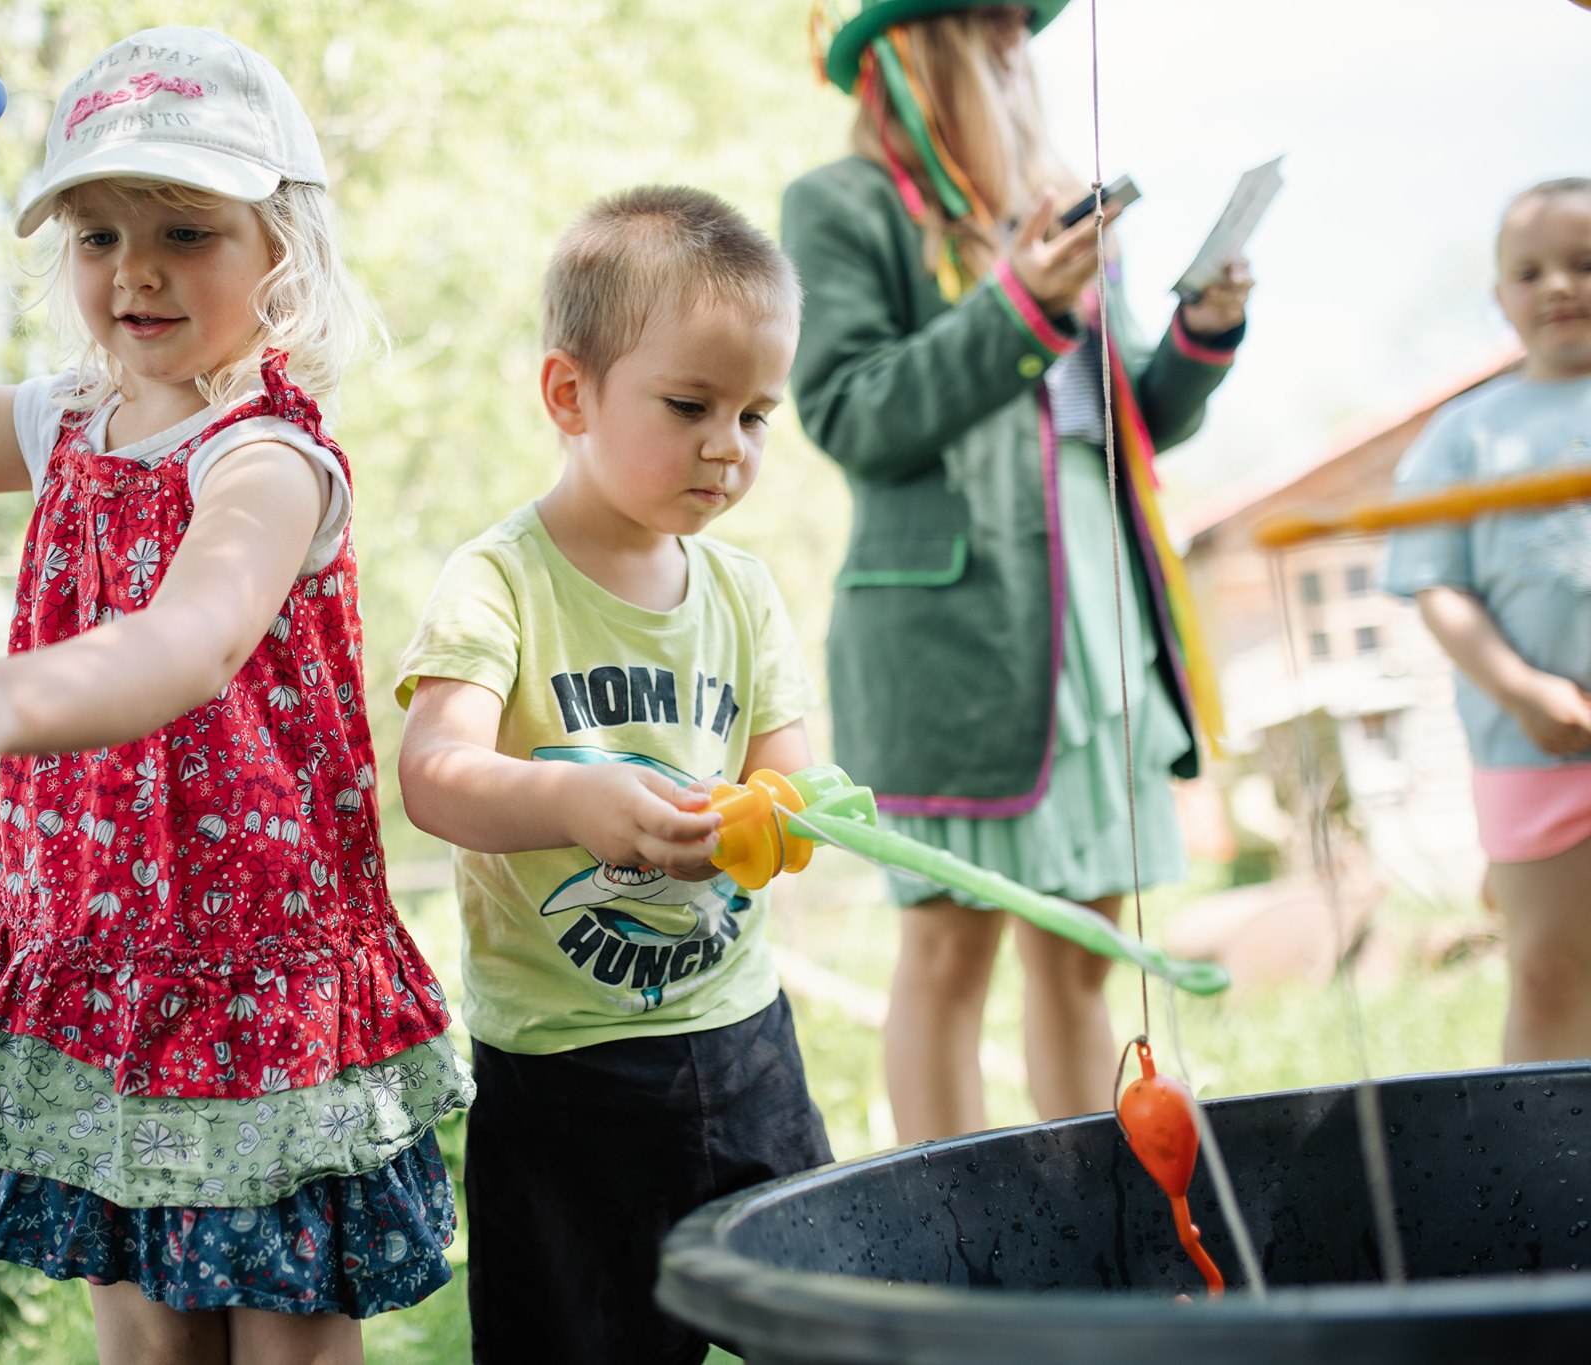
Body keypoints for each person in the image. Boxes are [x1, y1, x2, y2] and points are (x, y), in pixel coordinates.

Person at [0, 27, 472, 1364]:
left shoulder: (266, 456)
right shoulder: (65, 419)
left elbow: (191, 639)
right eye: (99, 235)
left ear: (283, 248)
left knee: (284, 1336)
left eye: (186, 230)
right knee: (148, 1335)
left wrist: (1, 696)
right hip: (95, 954)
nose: (137, 270)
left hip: (252, 972)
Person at [780, 0, 1252, 1145]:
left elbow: (1129, 417)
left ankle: (1092, 1221)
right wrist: (1018, 306)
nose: (1013, 47)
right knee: (947, 950)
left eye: (1016, 25)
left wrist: (1201, 331)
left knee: (1084, 951)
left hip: (1095, 603)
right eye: (988, 23)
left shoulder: (1057, 206)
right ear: (918, 47)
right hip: (956, 633)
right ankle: (949, 1235)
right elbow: (848, 412)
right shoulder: (840, 204)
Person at [395, 186, 834, 1365]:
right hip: (565, 1077)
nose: (726, 446)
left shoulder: (741, 592)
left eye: (755, 416)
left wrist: (782, 819)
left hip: (746, 1045)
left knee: (829, 1322)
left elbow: (787, 782)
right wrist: (574, 803)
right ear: (569, 394)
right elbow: (432, 775)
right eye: (690, 405)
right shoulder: (498, 580)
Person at [1382, 178, 1591, 1064]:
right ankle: (1546, 1146)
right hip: (1531, 749)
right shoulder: (1462, 436)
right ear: (1501, 296)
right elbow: (1438, 585)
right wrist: (1523, 690)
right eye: (1530, 272)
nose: (1559, 286)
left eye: (1584, 263)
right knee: (1548, 969)